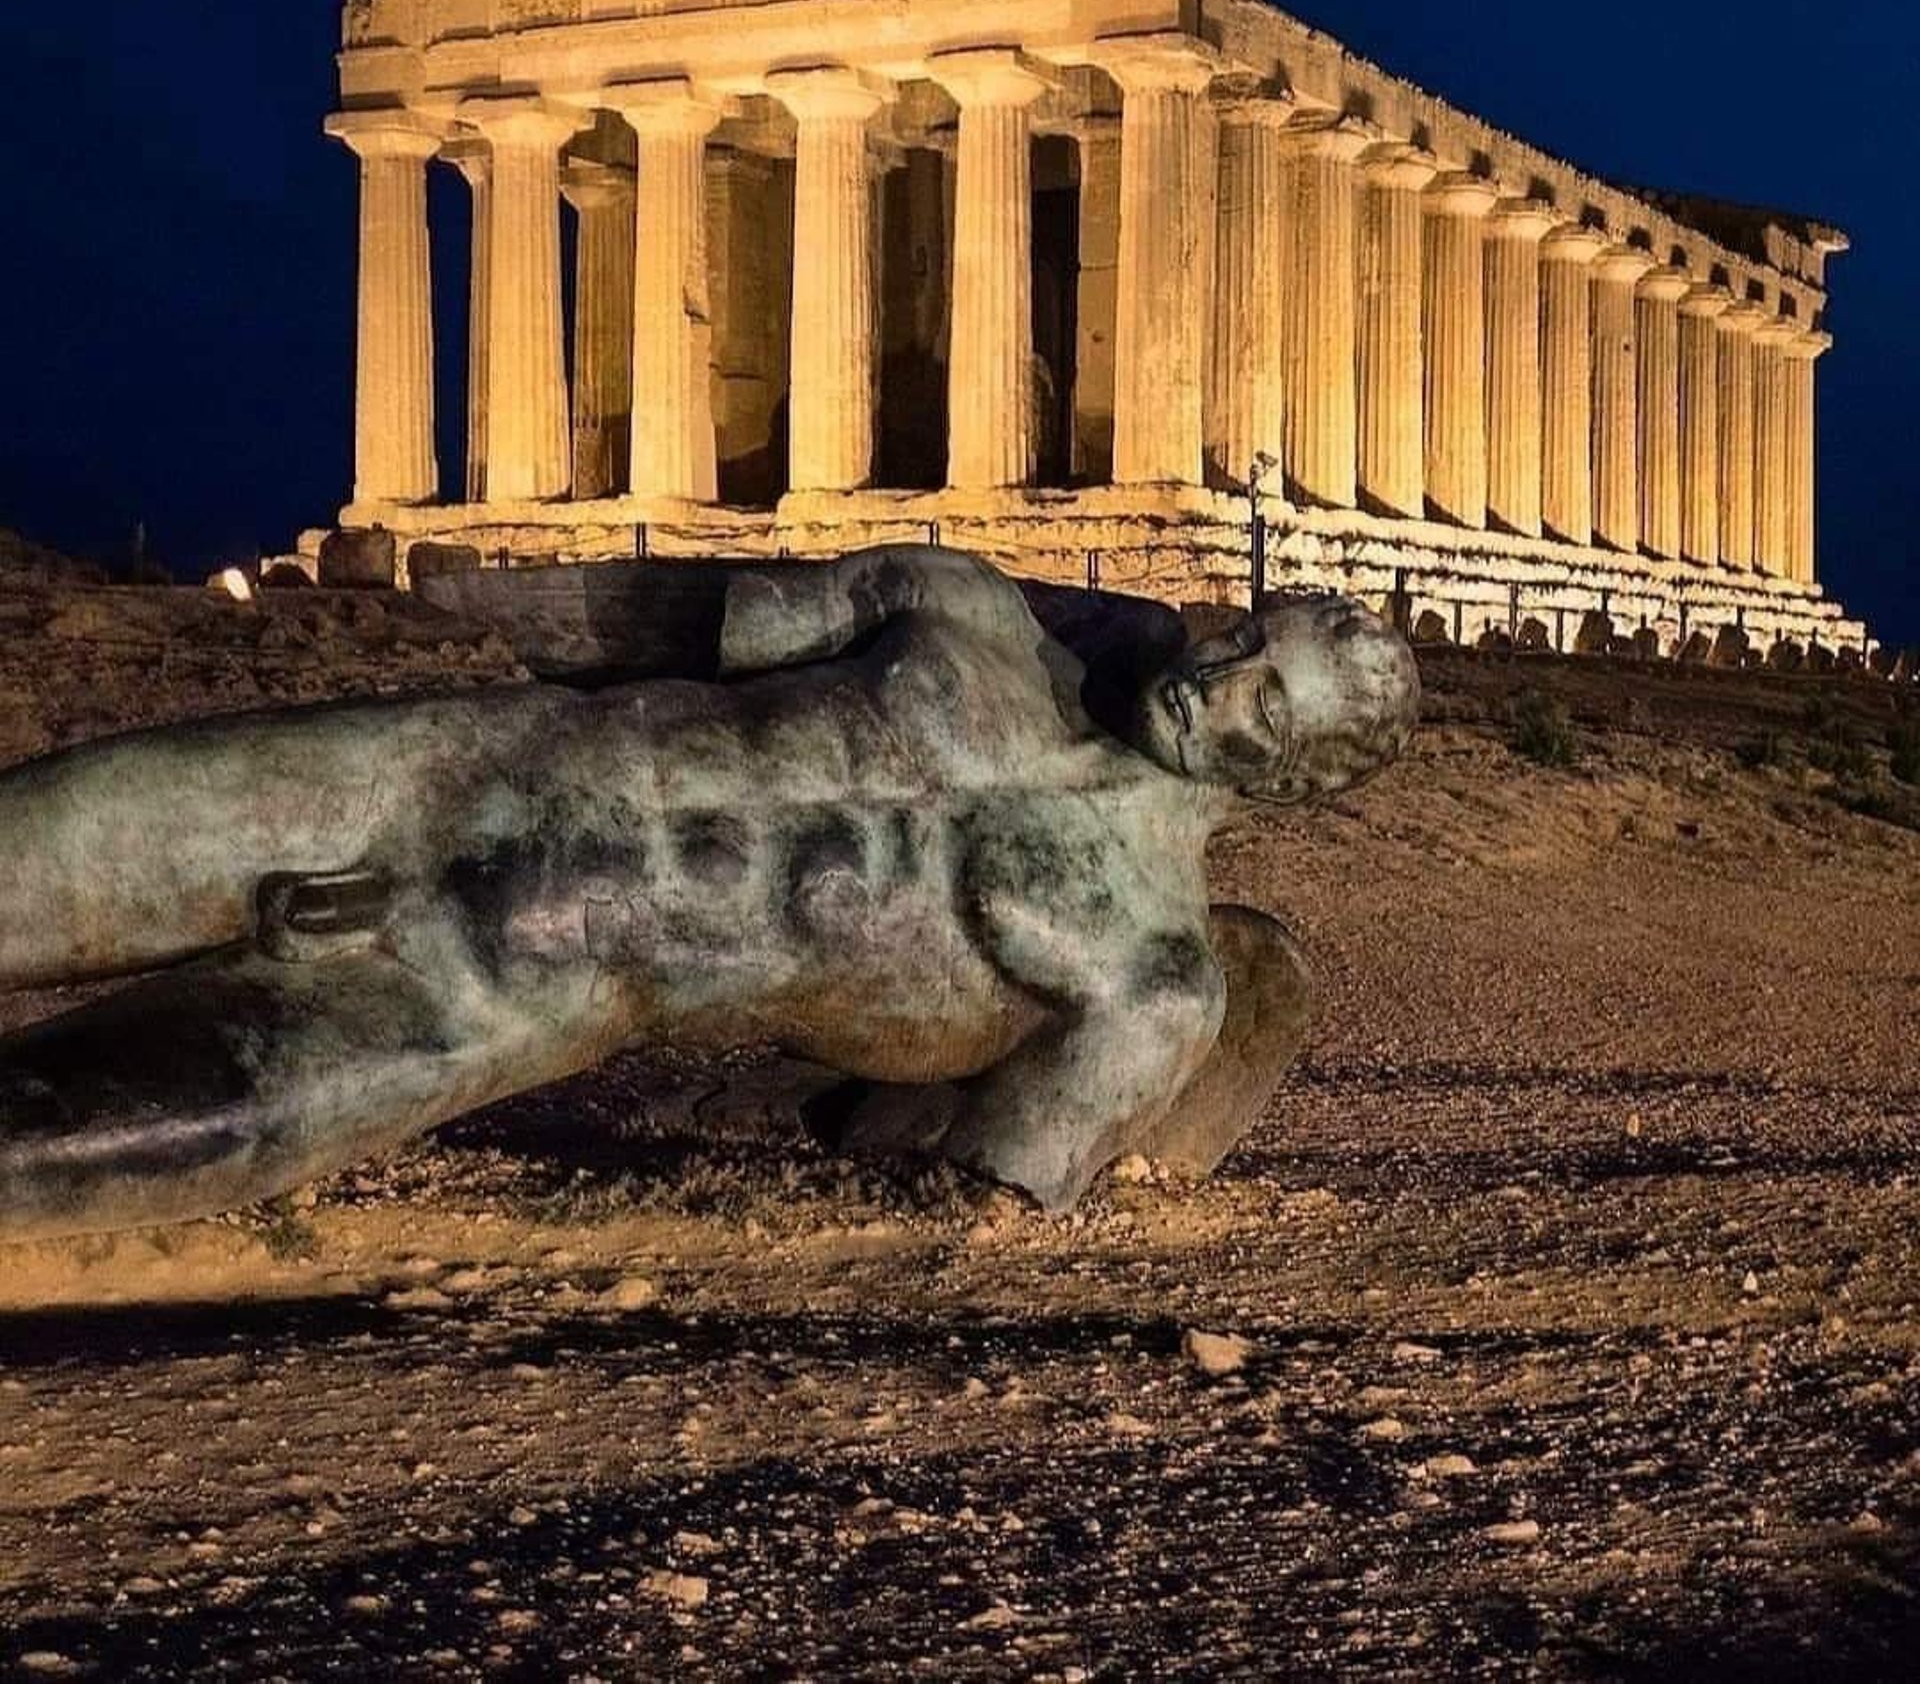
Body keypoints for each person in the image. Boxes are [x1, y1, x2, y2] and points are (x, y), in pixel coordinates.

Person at [0, 548, 1418, 1235]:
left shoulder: (1152, 974)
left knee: (56, 1145)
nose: (1217, 687)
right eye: (1245, 642)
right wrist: (455, 594)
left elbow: (978, 1202)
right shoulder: (963, 605)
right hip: (422, 770)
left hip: (495, 989)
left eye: (1265, 715)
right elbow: (662, 618)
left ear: (1298, 779)